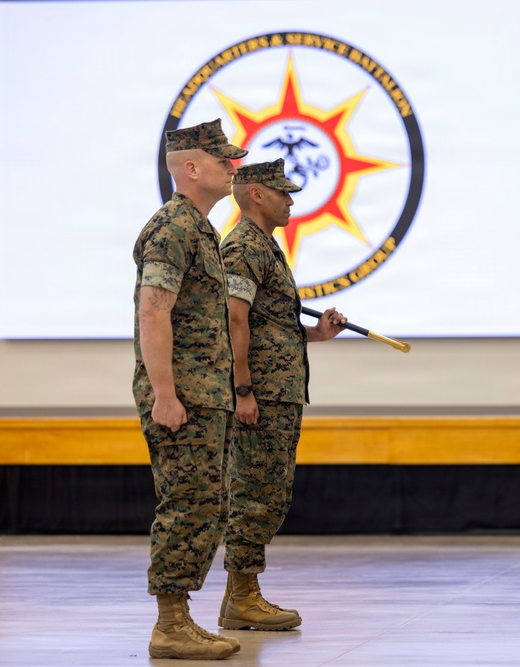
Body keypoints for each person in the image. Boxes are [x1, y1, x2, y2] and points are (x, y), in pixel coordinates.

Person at [133, 118, 246, 660]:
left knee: (207, 503)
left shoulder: (199, 229)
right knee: (187, 503)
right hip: (183, 395)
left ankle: (180, 618)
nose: (233, 168)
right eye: (225, 160)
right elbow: (153, 312)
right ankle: (169, 626)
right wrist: (164, 394)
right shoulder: (172, 228)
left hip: (205, 394)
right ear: (193, 168)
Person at [218, 159, 347, 631]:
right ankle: (243, 597)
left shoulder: (265, 245)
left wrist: (316, 334)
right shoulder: (243, 247)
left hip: (279, 391)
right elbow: (234, 319)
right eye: (283, 192)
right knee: (255, 493)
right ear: (257, 194)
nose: (291, 201)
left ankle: (238, 597)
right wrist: (243, 390)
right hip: (261, 395)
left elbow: (267, 324)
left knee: (269, 492)